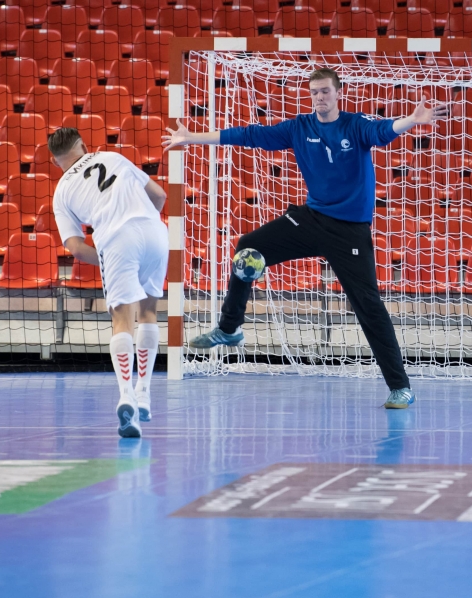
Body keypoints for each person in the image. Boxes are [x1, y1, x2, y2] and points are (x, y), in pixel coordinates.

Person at [162, 67, 447, 409]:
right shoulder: (299, 128)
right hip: (311, 219)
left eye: (325, 91)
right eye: (314, 92)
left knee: (368, 307)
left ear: (338, 93)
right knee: (247, 247)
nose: (319, 98)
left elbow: (383, 131)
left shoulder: (354, 125)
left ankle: (400, 387)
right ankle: (230, 327)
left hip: (349, 231)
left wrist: (411, 121)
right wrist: (193, 137)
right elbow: (251, 135)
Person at [48, 127, 170, 439]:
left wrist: (107, 257)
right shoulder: (113, 157)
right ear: (85, 146)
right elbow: (160, 195)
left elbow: (74, 247)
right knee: (148, 313)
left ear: (55, 161)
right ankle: (144, 393)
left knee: (121, 321)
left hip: (117, 238)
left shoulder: (61, 191)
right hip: (155, 232)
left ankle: (126, 395)